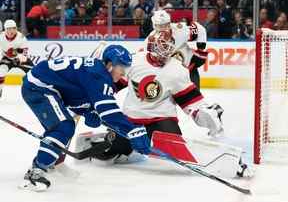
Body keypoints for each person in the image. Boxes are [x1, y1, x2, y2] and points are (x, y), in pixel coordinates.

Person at [81, 34, 252, 178]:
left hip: (161, 120)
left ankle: (227, 163)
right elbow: (114, 84)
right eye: (159, 50)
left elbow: (189, 101)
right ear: (151, 47)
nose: (162, 55)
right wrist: (92, 98)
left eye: (167, 51)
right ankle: (116, 145)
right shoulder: (135, 61)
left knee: (176, 148)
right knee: (111, 152)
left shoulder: (177, 70)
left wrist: (201, 113)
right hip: (132, 121)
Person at [20, 45, 151, 192]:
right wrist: (132, 130)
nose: (123, 73)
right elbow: (109, 112)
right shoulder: (99, 76)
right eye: (122, 68)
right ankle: (36, 172)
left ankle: (48, 159)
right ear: (110, 64)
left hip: (45, 85)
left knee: (60, 128)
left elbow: (73, 93)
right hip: (39, 87)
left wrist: (88, 112)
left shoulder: (96, 70)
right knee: (63, 127)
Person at [0, 19, 32, 98]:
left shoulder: (21, 37)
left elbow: (24, 54)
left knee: (32, 73)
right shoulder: (1, 36)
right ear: (5, 29)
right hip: (6, 58)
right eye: (8, 29)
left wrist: (16, 54)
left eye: (13, 28)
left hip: (20, 59)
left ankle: (36, 89)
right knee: (1, 72)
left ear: (16, 29)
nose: (11, 31)